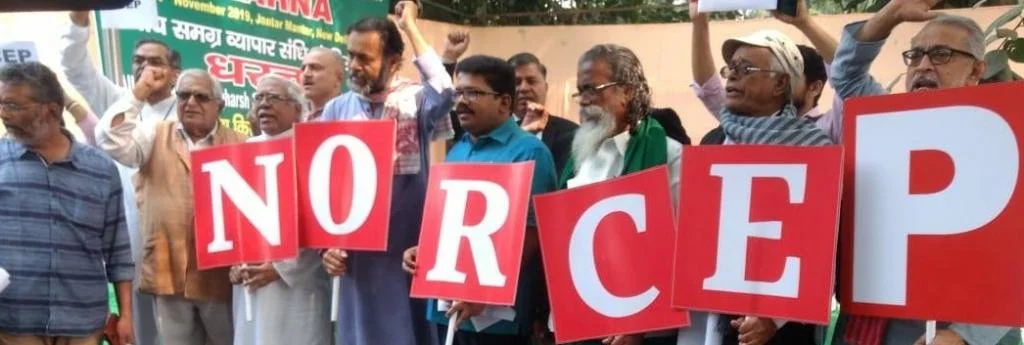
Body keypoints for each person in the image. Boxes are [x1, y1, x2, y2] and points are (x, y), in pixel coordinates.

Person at [829, 0, 1018, 344]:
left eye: (941, 54)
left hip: (953, 327)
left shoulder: (1007, 140)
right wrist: (891, 14)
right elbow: (845, 75)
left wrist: (965, 335)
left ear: (976, 71)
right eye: (914, 56)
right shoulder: (884, 120)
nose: (923, 65)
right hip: (868, 323)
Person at [318, 2, 455, 345]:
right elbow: (322, 184)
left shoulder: (414, 100)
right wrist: (327, 248)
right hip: (356, 257)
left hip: (405, 251)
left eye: (365, 58)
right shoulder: (337, 109)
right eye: (351, 56)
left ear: (394, 62)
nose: (354, 66)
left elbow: (445, 89)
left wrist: (409, 25)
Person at [401, 54, 558, 345]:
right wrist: (424, 251)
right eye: (459, 92)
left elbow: (532, 236)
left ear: (504, 103)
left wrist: (482, 294)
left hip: (497, 322)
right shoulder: (457, 150)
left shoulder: (529, 153)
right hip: (447, 309)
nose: (461, 101)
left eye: (473, 93)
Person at [96, 69, 247, 345]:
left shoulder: (240, 145)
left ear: (219, 106)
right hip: (168, 266)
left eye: (201, 97)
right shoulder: (154, 135)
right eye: (183, 95)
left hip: (221, 274)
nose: (190, 103)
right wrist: (139, 93)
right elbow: (109, 139)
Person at [61, 12, 178, 343]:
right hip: (128, 231)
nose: (145, 68)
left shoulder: (187, 109)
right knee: (137, 326)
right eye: (138, 61)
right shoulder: (121, 102)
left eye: (155, 62)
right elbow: (75, 68)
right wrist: (79, 22)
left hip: (173, 232)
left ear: (174, 73)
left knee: (177, 325)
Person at [0, 62, 135, 345]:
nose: (4, 114)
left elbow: (118, 250)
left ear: (50, 109)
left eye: (13, 105)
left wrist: (126, 317)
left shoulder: (100, 169)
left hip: (83, 321)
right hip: (14, 320)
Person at [557, 44, 684, 345]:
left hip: (643, 330)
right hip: (580, 319)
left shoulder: (668, 154)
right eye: (580, 91)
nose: (584, 101)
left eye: (593, 89)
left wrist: (634, 322)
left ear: (627, 91)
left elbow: (679, 247)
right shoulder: (579, 158)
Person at [230, 75, 332, 345]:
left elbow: (322, 223)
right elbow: (233, 219)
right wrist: (235, 262)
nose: (263, 105)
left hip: (297, 282)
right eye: (259, 98)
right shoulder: (243, 152)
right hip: (251, 280)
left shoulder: (313, 151)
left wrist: (280, 269)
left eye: (273, 98)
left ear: (298, 108)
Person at [690, 0, 841, 145]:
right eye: (731, 68)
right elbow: (708, 88)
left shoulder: (815, 139)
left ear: (781, 83)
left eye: (746, 69)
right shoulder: (729, 128)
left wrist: (805, 23)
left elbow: (849, 78)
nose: (733, 76)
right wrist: (699, 22)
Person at [300, 47, 345, 121]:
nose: (306, 74)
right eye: (303, 68)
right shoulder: (296, 117)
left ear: (338, 77)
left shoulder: (352, 114)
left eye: (315, 68)